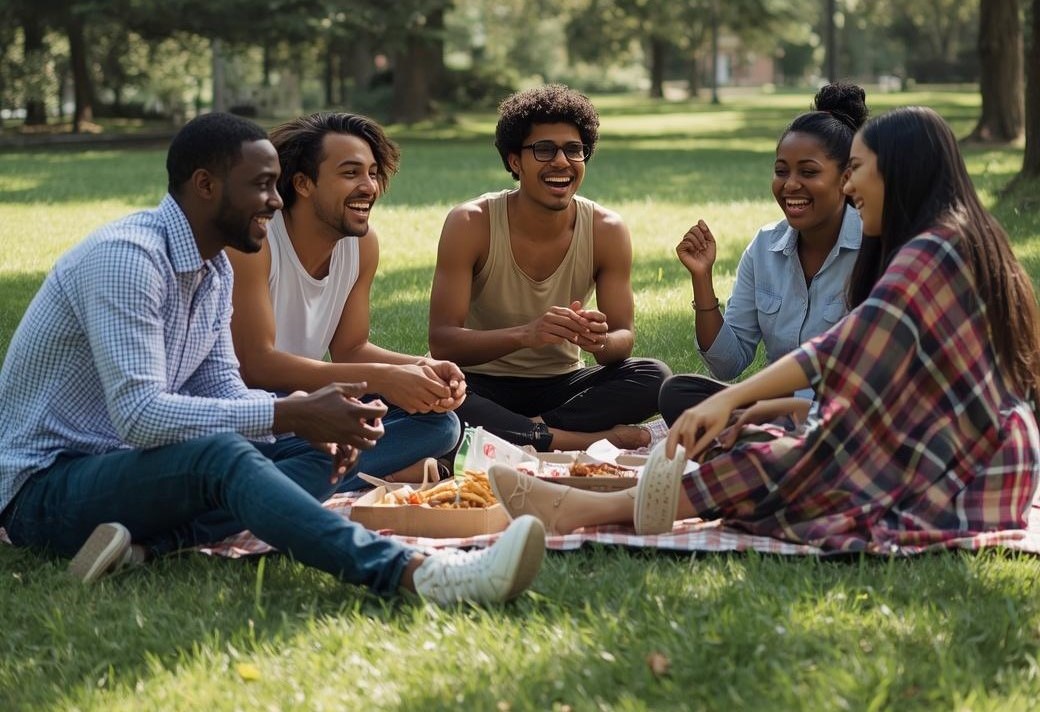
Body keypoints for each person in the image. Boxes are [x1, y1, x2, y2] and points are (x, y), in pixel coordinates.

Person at [0, 112, 545, 605]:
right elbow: (140, 416)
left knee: (333, 444)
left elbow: (227, 390)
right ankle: (421, 576)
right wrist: (291, 413)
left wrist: (313, 424)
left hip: (139, 471)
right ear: (206, 186)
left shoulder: (211, 272)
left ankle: (150, 547)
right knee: (227, 457)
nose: (277, 199)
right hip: (45, 490)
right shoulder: (129, 260)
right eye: (262, 185)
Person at [487, 106, 1040, 552]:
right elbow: (896, 387)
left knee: (783, 457)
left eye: (856, 169)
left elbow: (843, 351)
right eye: (784, 170)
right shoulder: (945, 241)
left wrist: (732, 405)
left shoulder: (934, 251)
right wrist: (776, 406)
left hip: (969, 467)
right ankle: (622, 502)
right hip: (953, 447)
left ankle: (587, 509)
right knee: (766, 441)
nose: (851, 187)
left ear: (899, 170)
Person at [225, 112, 463, 491]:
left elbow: (351, 349)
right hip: (244, 412)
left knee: (440, 422)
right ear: (303, 183)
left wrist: (423, 368)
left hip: (306, 401)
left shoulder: (361, 245)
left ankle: (317, 474)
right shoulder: (256, 243)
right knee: (300, 447)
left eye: (372, 173)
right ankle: (322, 475)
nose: (369, 186)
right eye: (351, 173)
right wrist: (385, 378)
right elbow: (255, 365)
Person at [429, 84, 671, 452]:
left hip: (562, 389)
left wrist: (599, 340)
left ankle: (524, 434)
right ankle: (587, 440)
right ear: (514, 161)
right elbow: (443, 342)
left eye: (574, 150)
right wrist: (527, 334)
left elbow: (622, 338)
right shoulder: (470, 223)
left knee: (654, 377)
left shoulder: (606, 229)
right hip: (480, 382)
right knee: (433, 389)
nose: (562, 162)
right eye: (544, 150)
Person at [658, 83, 867, 425]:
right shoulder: (765, 246)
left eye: (809, 172)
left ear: (846, 178)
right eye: (781, 171)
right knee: (676, 393)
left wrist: (775, 407)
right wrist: (702, 278)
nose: (790, 185)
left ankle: (757, 435)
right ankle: (760, 433)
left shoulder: (872, 248)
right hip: (770, 408)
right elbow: (729, 363)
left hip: (843, 412)